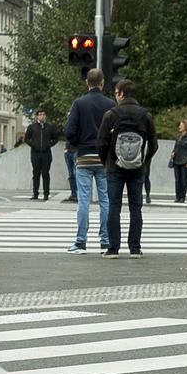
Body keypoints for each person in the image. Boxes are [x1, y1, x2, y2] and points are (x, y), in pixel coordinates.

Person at [96, 78, 158, 260]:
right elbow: (154, 145)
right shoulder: (145, 116)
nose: (116, 96)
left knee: (113, 207)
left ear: (122, 94)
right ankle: (135, 248)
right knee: (135, 208)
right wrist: (143, 161)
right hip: (137, 169)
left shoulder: (111, 115)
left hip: (114, 168)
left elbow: (101, 142)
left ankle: (113, 249)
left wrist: (106, 160)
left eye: (116, 93)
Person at [63, 69, 115, 253]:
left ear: (87, 82)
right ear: (102, 82)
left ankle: (80, 241)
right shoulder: (110, 104)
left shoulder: (79, 103)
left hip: (84, 157)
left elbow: (68, 130)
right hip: (103, 159)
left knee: (84, 199)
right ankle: (105, 240)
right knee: (105, 200)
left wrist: (78, 143)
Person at [25, 108, 59, 200]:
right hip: (35, 154)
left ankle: (46, 194)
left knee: (45, 174)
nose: (42, 116)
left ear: (46, 116)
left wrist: (49, 145)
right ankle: (35, 193)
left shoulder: (50, 127)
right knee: (35, 174)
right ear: (37, 116)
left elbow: (56, 138)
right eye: (40, 114)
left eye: (43, 114)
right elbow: (26, 139)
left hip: (46, 154)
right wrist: (33, 145)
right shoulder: (32, 127)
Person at [172, 118, 187, 203]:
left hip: (184, 161)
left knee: (183, 180)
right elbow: (175, 147)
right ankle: (177, 197)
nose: (179, 126)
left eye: (181, 125)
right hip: (176, 160)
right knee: (177, 180)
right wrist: (173, 153)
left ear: (186, 126)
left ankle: (182, 197)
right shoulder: (178, 136)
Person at [62, 137, 78, 202]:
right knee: (71, 174)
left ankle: (78, 194)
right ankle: (73, 194)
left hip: (76, 150)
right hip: (68, 151)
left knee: (75, 173)